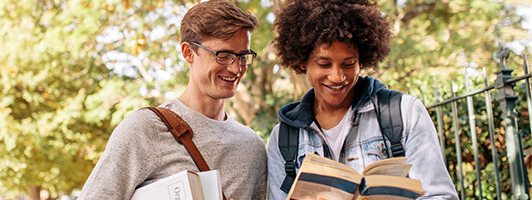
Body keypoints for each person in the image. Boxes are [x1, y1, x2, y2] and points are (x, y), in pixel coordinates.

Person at [266, 0, 458, 199]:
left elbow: (441, 196)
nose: (337, 77)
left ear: (362, 60)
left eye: (348, 64)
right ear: (302, 61)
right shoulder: (283, 138)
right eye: (324, 64)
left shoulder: (404, 113)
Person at [78, 0, 267, 199]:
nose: (236, 68)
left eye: (243, 56)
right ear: (188, 52)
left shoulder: (253, 147)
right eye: (224, 55)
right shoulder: (144, 129)